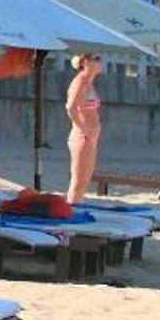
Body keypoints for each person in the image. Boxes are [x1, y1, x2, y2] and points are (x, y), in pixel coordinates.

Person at [65, 51, 104, 206]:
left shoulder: (88, 82)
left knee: (84, 181)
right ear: (85, 62)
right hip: (82, 137)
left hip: (89, 137)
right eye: (97, 58)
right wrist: (84, 128)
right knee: (79, 181)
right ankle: (72, 212)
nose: (100, 62)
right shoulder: (80, 80)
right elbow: (70, 107)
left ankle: (75, 208)